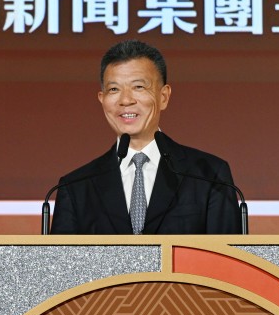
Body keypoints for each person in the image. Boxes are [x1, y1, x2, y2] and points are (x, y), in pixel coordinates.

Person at [50, 40, 240, 234]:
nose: (126, 100)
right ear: (102, 99)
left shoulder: (209, 175)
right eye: (114, 89)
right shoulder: (76, 187)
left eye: (139, 87)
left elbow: (226, 252)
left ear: (163, 97)